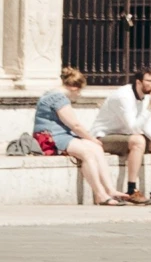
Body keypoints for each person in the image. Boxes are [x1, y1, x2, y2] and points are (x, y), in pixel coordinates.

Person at [33, 66, 128, 204]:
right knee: (87, 153)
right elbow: (75, 125)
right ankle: (100, 194)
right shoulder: (59, 98)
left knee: (96, 148)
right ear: (74, 88)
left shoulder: (51, 94)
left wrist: (92, 142)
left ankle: (110, 189)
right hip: (51, 138)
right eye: (79, 91)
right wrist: (91, 138)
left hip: (59, 135)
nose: (79, 95)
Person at [96, 68, 151, 205]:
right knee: (139, 140)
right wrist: (150, 107)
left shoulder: (147, 95)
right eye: (149, 81)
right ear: (138, 82)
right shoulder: (124, 96)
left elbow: (146, 122)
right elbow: (134, 128)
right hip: (105, 137)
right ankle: (131, 190)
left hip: (127, 136)